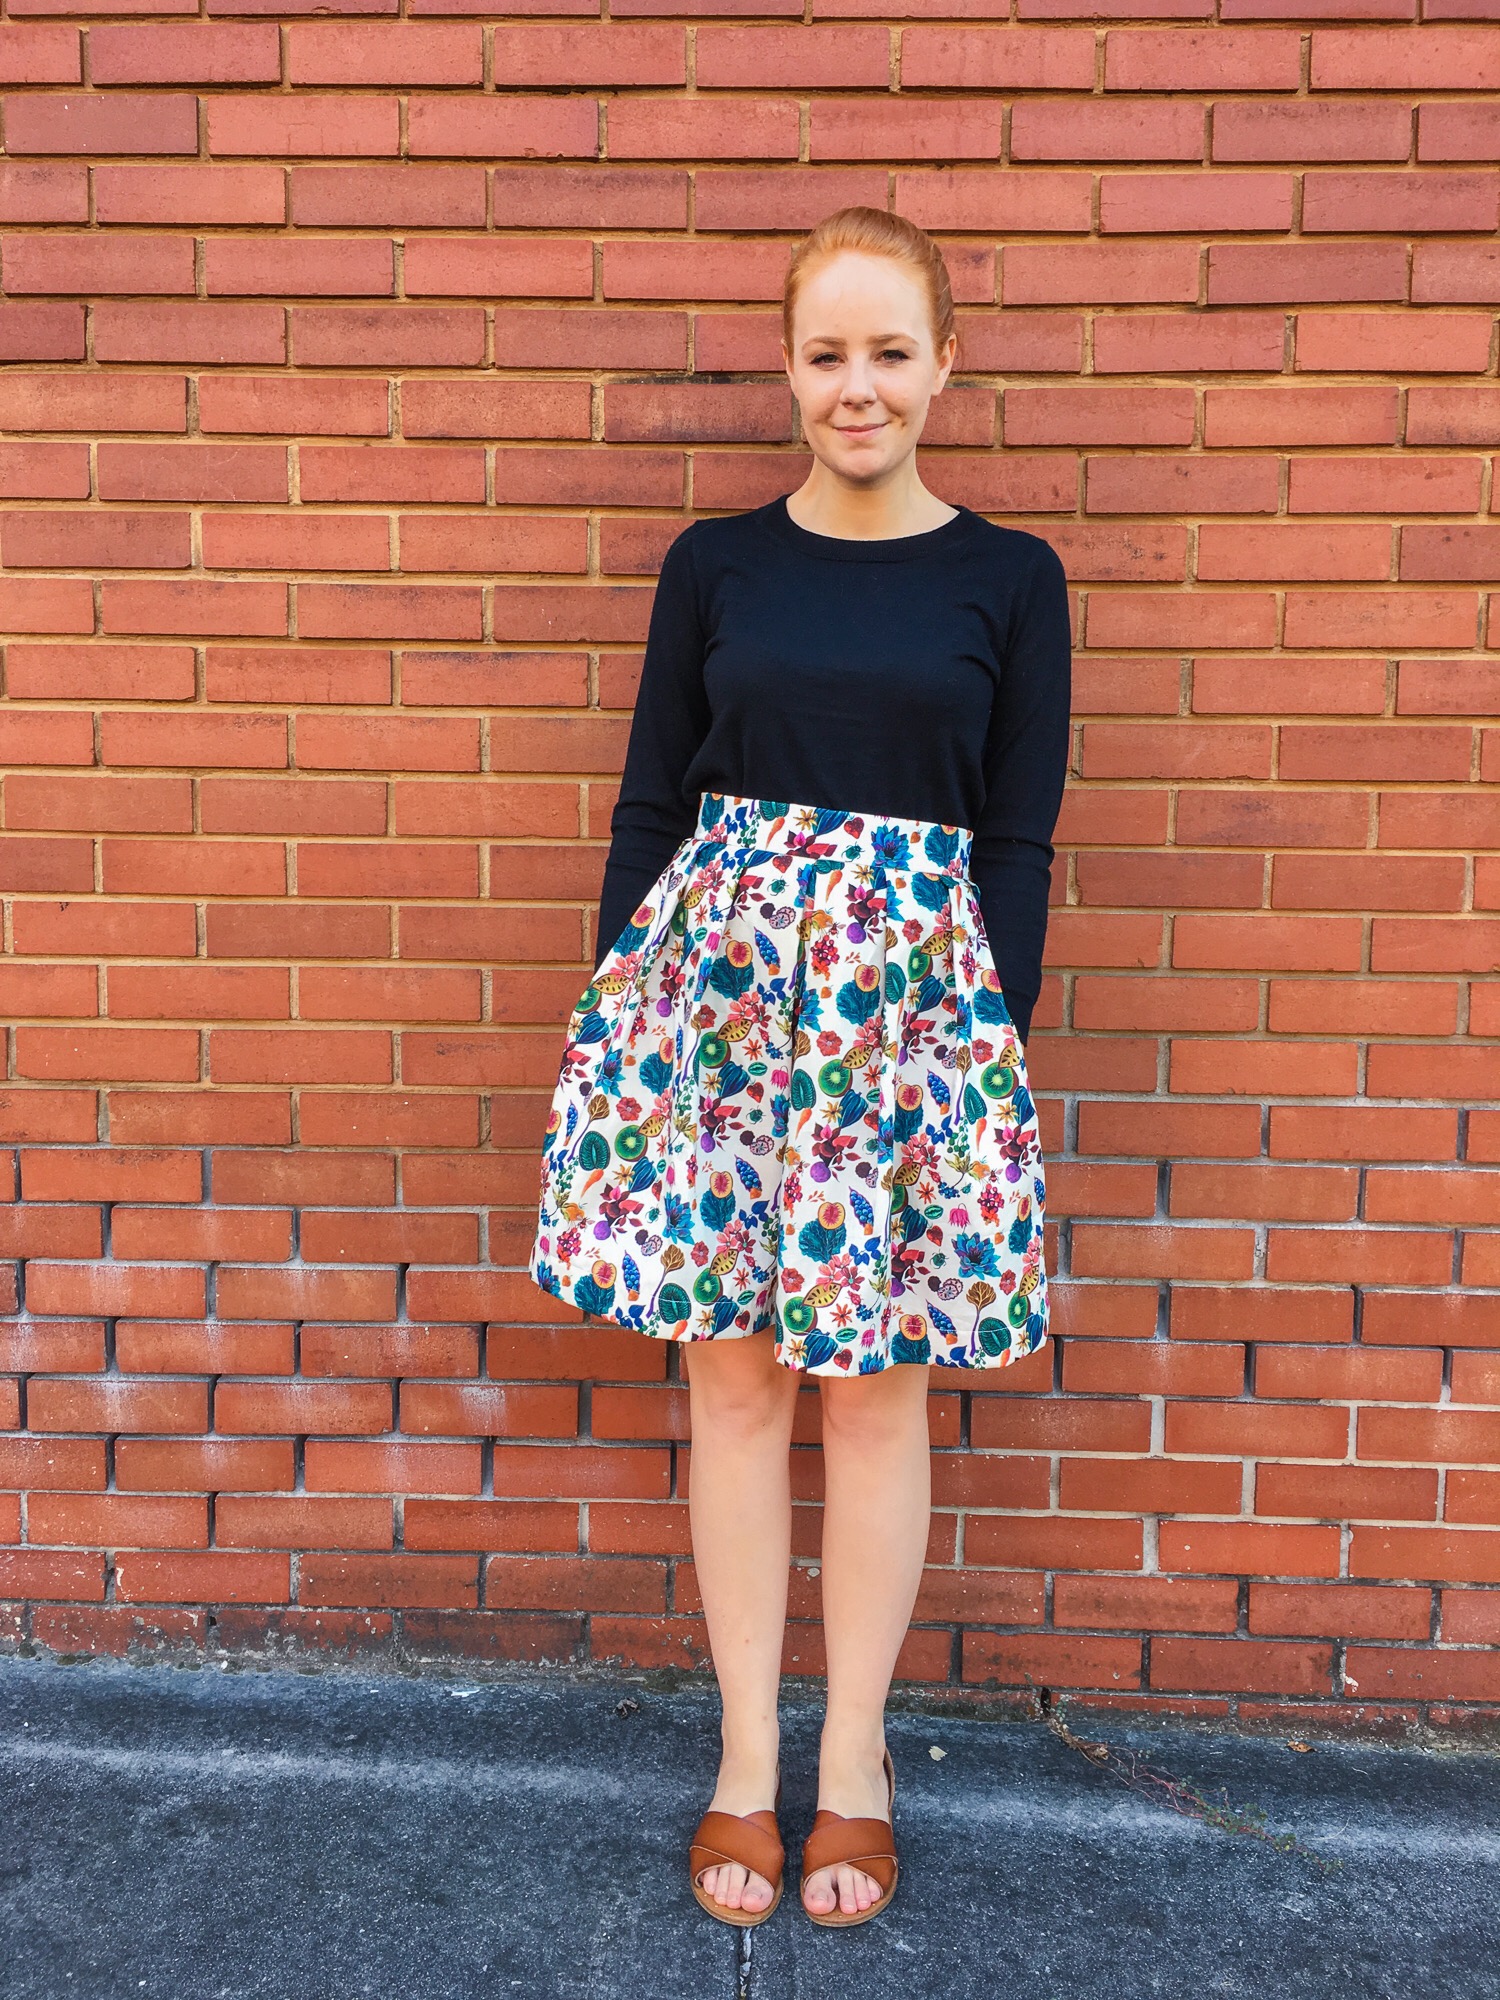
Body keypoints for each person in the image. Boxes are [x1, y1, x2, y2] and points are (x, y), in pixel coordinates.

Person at [529, 205, 1071, 1929]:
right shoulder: (715, 565)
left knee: (878, 1389)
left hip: (910, 1039)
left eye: (890, 352)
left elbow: (1017, 839)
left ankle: (858, 1764)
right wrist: (623, 1021)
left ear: (944, 366)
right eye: (827, 354)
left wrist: (981, 1047)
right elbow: (650, 803)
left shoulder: (1012, 579)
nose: (859, 387)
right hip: (718, 1025)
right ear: (786, 368)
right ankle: (744, 1759)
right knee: (738, 1386)